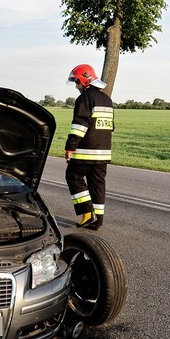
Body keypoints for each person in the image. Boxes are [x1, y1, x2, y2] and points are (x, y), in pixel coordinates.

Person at [64, 64, 114, 231]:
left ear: (84, 81)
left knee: (73, 176)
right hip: (103, 153)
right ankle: (97, 220)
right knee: (97, 183)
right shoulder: (107, 99)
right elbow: (110, 126)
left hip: (85, 151)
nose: (76, 86)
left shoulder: (84, 98)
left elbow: (80, 125)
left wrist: (70, 147)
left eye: (77, 82)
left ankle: (87, 212)